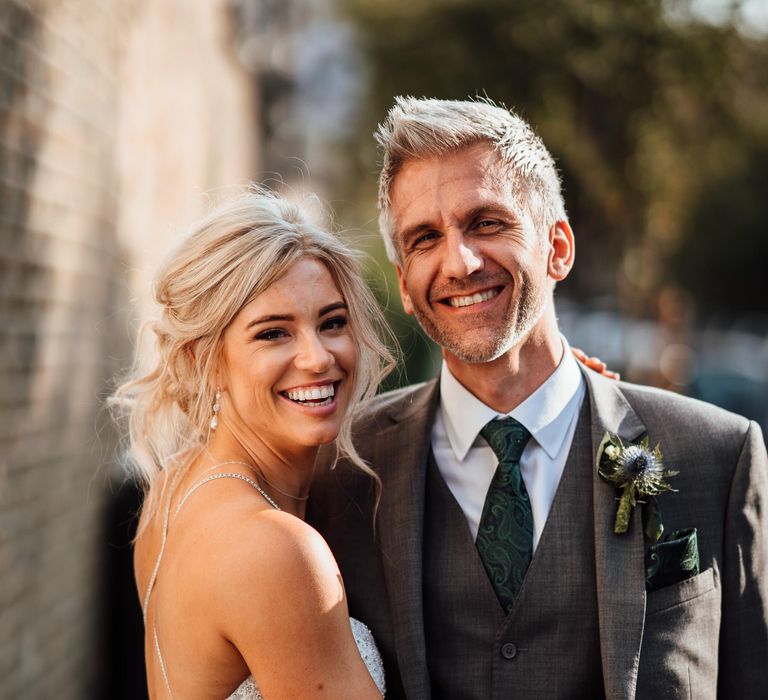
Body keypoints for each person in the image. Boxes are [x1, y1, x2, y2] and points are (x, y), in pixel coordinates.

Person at [308, 97, 768, 699]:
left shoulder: (718, 455)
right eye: (424, 238)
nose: (460, 262)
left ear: (558, 247)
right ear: (405, 285)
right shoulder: (342, 470)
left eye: (487, 223)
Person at [111, 190, 390, 699]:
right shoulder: (277, 549)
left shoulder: (176, 486)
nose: (317, 357)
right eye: (273, 334)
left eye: (332, 323)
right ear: (204, 360)